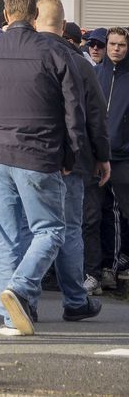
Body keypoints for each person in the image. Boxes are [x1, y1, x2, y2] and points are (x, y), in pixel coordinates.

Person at [0, 0, 87, 336]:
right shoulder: (55, 52)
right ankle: (21, 288)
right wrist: (70, 153)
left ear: (3, 14)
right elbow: (73, 110)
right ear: (33, 15)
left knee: (5, 236)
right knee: (50, 229)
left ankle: (10, 311)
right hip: (39, 152)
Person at [36, 0, 109, 320]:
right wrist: (102, 156)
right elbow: (95, 113)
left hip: (29, 156)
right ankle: (75, 300)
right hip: (73, 159)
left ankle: (24, 298)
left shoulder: (26, 54)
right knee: (69, 229)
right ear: (64, 27)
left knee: (30, 228)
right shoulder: (79, 62)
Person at [96, 28, 129, 275]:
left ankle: (115, 263)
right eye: (113, 44)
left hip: (121, 155)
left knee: (118, 210)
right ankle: (101, 264)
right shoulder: (97, 73)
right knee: (97, 212)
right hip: (96, 154)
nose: (116, 49)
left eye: (121, 45)